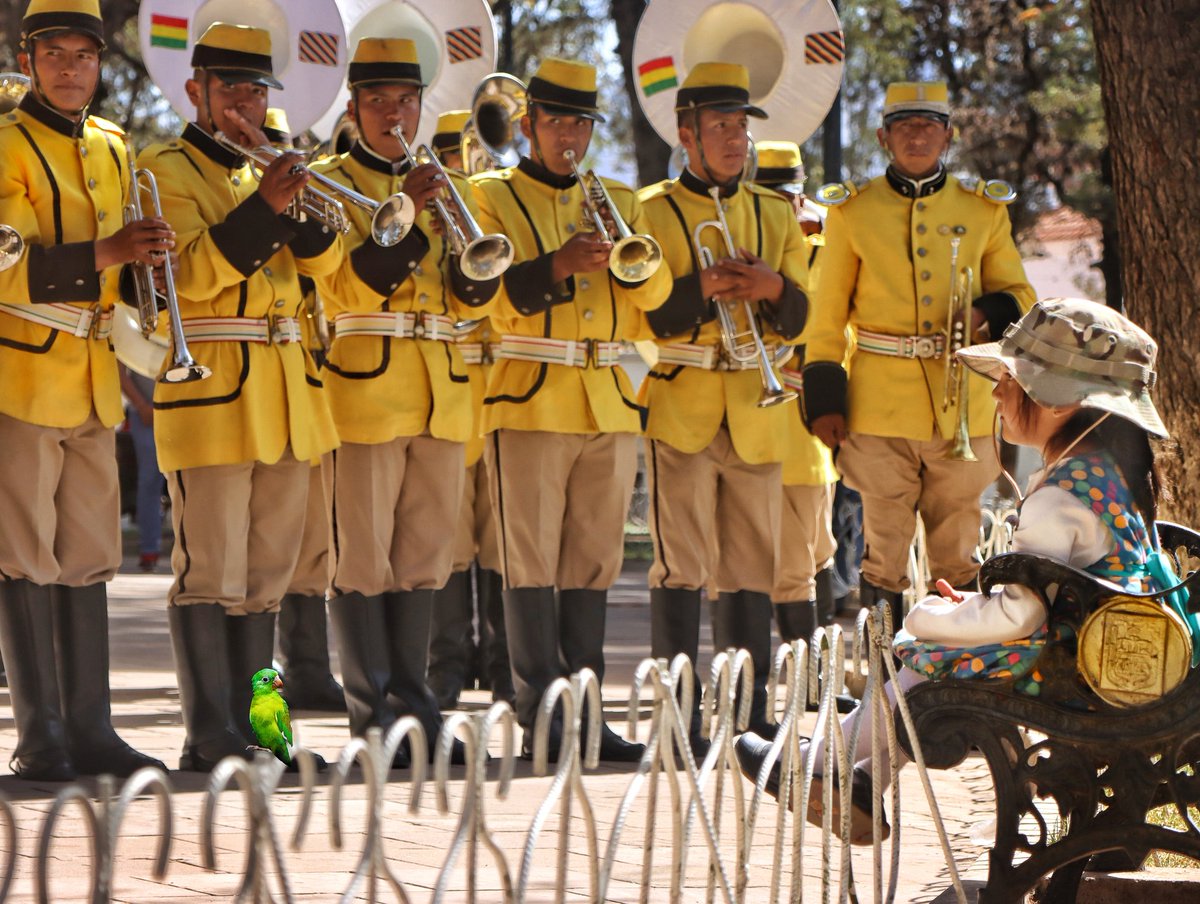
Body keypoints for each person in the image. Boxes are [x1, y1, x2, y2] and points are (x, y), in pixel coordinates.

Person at [737, 297, 1175, 843]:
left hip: (1072, 672)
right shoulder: (1105, 473)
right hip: (1101, 655)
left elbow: (1019, 616)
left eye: (1010, 379)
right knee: (934, 660)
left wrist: (928, 617)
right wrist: (969, 607)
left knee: (924, 658)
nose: (995, 391)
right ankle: (852, 777)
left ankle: (826, 765)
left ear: (1058, 400)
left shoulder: (1059, 496)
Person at [139, 22, 343, 771]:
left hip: (290, 397)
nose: (246, 105)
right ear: (195, 92)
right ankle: (209, 735)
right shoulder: (164, 166)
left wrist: (295, 202)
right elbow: (187, 276)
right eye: (230, 90)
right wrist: (265, 205)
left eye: (257, 91)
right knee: (210, 572)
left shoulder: (277, 165)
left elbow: (333, 260)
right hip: (213, 390)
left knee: (265, 583)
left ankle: (265, 729)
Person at [471, 57, 670, 761]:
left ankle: (586, 717)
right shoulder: (490, 194)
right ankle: (540, 715)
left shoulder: (621, 198)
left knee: (592, 561)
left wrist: (626, 258)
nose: (569, 136)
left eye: (581, 123)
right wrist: (558, 265)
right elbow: (488, 297)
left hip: (609, 404)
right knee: (529, 562)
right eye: (556, 121)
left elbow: (657, 306)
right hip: (527, 397)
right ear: (527, 126)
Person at [312, 38, 499, 765]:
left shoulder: (454, 185)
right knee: (363, 559)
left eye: (407, 101)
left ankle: (415, 710)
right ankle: (371, 715)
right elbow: (346, 286)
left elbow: (476, 299)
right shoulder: (328, 184)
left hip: (440, 391)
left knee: (424, 558)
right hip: (364, 388)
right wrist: (417, 214)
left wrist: (459, 238)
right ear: (354, 110)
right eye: (379, 102)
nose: (395, 114)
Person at [0, 0, 168, 780]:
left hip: (97, 374)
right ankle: (42, 737)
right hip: (22, 373)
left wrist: (145, 270)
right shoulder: (6, 144)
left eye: (86, 56)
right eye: (56, 55)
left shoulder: (113, 144)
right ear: (29, 59)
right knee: (25, 552)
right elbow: (3, 262)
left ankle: (92, 730)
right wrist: (107, 250)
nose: (72, 70)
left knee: (88, 555)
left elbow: (124, 271)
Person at [802, 81, 1036, 630]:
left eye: (928, 125)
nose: (916, 135)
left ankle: (955, 680)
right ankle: (883, 680)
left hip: (964, 407)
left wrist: (985, 310)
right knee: (883, 549)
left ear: (947, 136)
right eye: (904, 126)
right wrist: (823, 396)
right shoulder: (854, 213)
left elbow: (1022, 297)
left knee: (958, 550)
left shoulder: (982, 210)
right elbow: (828, 314)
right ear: (884, 136)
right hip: (879, 407)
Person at [636, 63, 809, 745]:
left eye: (740, 127)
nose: (735, 140)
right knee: (681, 564)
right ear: (687, 135)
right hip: (681, 402)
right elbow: (642, 313)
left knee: (752, 564)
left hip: (756, 404)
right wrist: (701, 287)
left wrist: (770, 289)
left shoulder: (773, 211)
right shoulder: (651, 210)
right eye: (719, 127)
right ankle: (678, 718)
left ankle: (749, 713)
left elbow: (803, 317)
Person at [257, 106, 345, 713]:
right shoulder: (245, 205)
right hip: (253, 389)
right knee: (254, 569)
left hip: (310, 390)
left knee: (313, 548)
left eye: (284, 148)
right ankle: (259, 702)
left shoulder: (304, 206)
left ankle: (308, 669)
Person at [426, 108, 512, 710]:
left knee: (505, 538)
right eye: (455, 157)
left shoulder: (497, 213)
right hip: (451, 390)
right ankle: (446, 665)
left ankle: (507, 664)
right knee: (450, 541)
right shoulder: (434, 220)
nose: (466, 170)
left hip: (503, 391)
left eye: (474, 156)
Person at [751, 141, 839, 643]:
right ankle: (788, 684)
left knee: (819, 545)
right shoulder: (741, 243)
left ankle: (815, 678)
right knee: (773, 556)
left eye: (789, 199)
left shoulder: (825, 244)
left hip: (807, 419)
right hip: (752, 417)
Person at [118, 363, 165, 572]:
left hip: (186, 410)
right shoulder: (134, 327)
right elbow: (119, 370)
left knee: (190, 483)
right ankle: (149, 549)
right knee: (149, 482)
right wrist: (142, 406)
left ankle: (195, 552)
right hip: (145, 414)